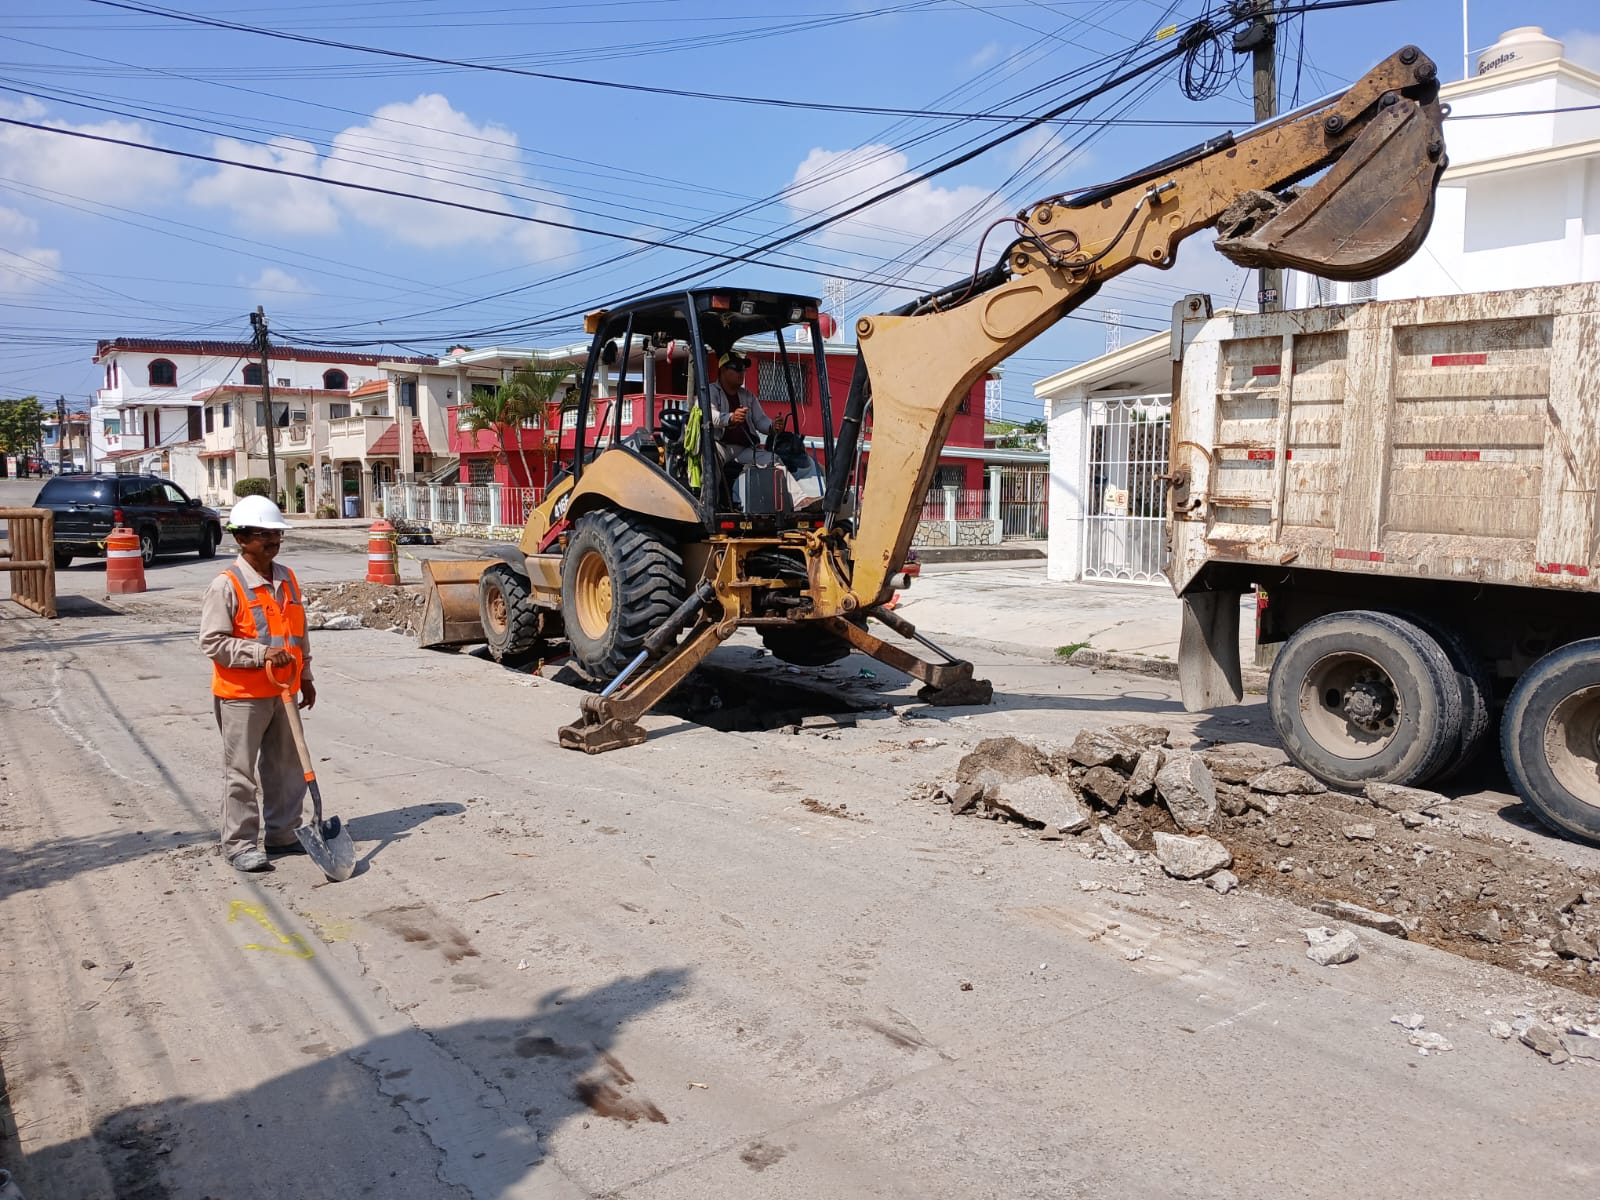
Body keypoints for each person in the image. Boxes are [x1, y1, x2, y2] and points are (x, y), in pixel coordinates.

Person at [197, 494, 316, 872]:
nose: (273, 541)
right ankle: (240, 843)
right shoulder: (226, 585)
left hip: (284, 693)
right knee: (241, 773)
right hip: (242, 696)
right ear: (241, 539)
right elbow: (212, 642)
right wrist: (260, 654)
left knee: (287, 768)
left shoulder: (287, 578)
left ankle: (283, 833)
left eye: (276, 534)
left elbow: (299, 634)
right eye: (264, 534)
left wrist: (306, 675)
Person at [706, 350, 822, 510]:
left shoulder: (748, 396)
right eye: (737, 368)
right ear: (723, 370)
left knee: (773, 459)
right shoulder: (710, 392)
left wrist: (772, 426)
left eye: (743, 369)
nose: (742, 373)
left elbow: (760, 420)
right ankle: (711, 506)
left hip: (744, 449)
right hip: (721, 446)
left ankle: (800, 501)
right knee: (710, 458)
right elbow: (709, 416)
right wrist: (730, 418)